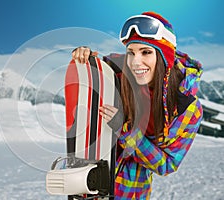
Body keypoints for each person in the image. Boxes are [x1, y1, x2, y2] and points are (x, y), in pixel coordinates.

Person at [72, 11, 203, 199]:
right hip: (90, 185)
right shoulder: (115, 72)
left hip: (131, 191)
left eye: (146, 52)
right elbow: (92, 81)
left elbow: (167, 164)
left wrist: (126, 130)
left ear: (164, 57)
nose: (135, 62)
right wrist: (85, 60)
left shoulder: (186, 107)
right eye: (131, 52)